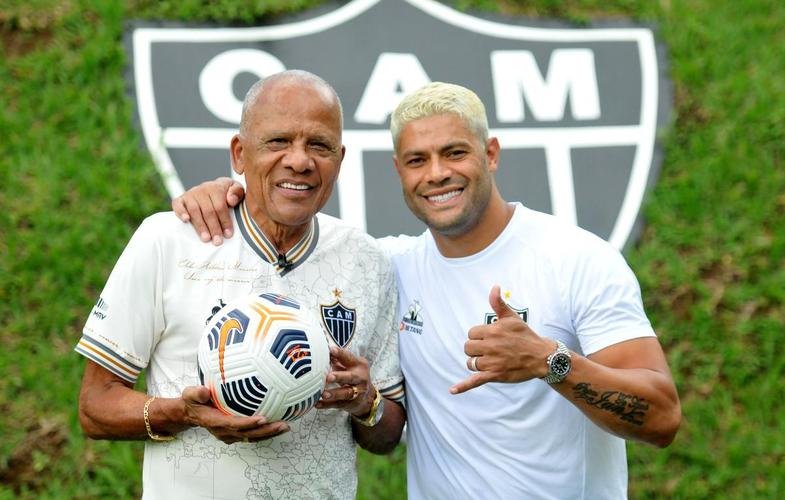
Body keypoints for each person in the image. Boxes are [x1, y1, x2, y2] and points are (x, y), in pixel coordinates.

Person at [174, 81, 681, 499]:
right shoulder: (386, 266)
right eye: (417, 160)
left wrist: (550, 362)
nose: (437, 174)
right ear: (399, 170)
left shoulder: (577, 259)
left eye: (454, 153)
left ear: (491, 154)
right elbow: (291, 228)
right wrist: (224, 192)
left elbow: (661, 417)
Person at [75, 70, 406, 500]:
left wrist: (367, 403)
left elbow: (388, 434)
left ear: (339, 159)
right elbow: (95, 406)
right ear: (239, 153)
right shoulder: (169, 241)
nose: (300, 161)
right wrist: (184, 414)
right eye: (278, 141)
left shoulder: (366, 261)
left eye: (319, 145)